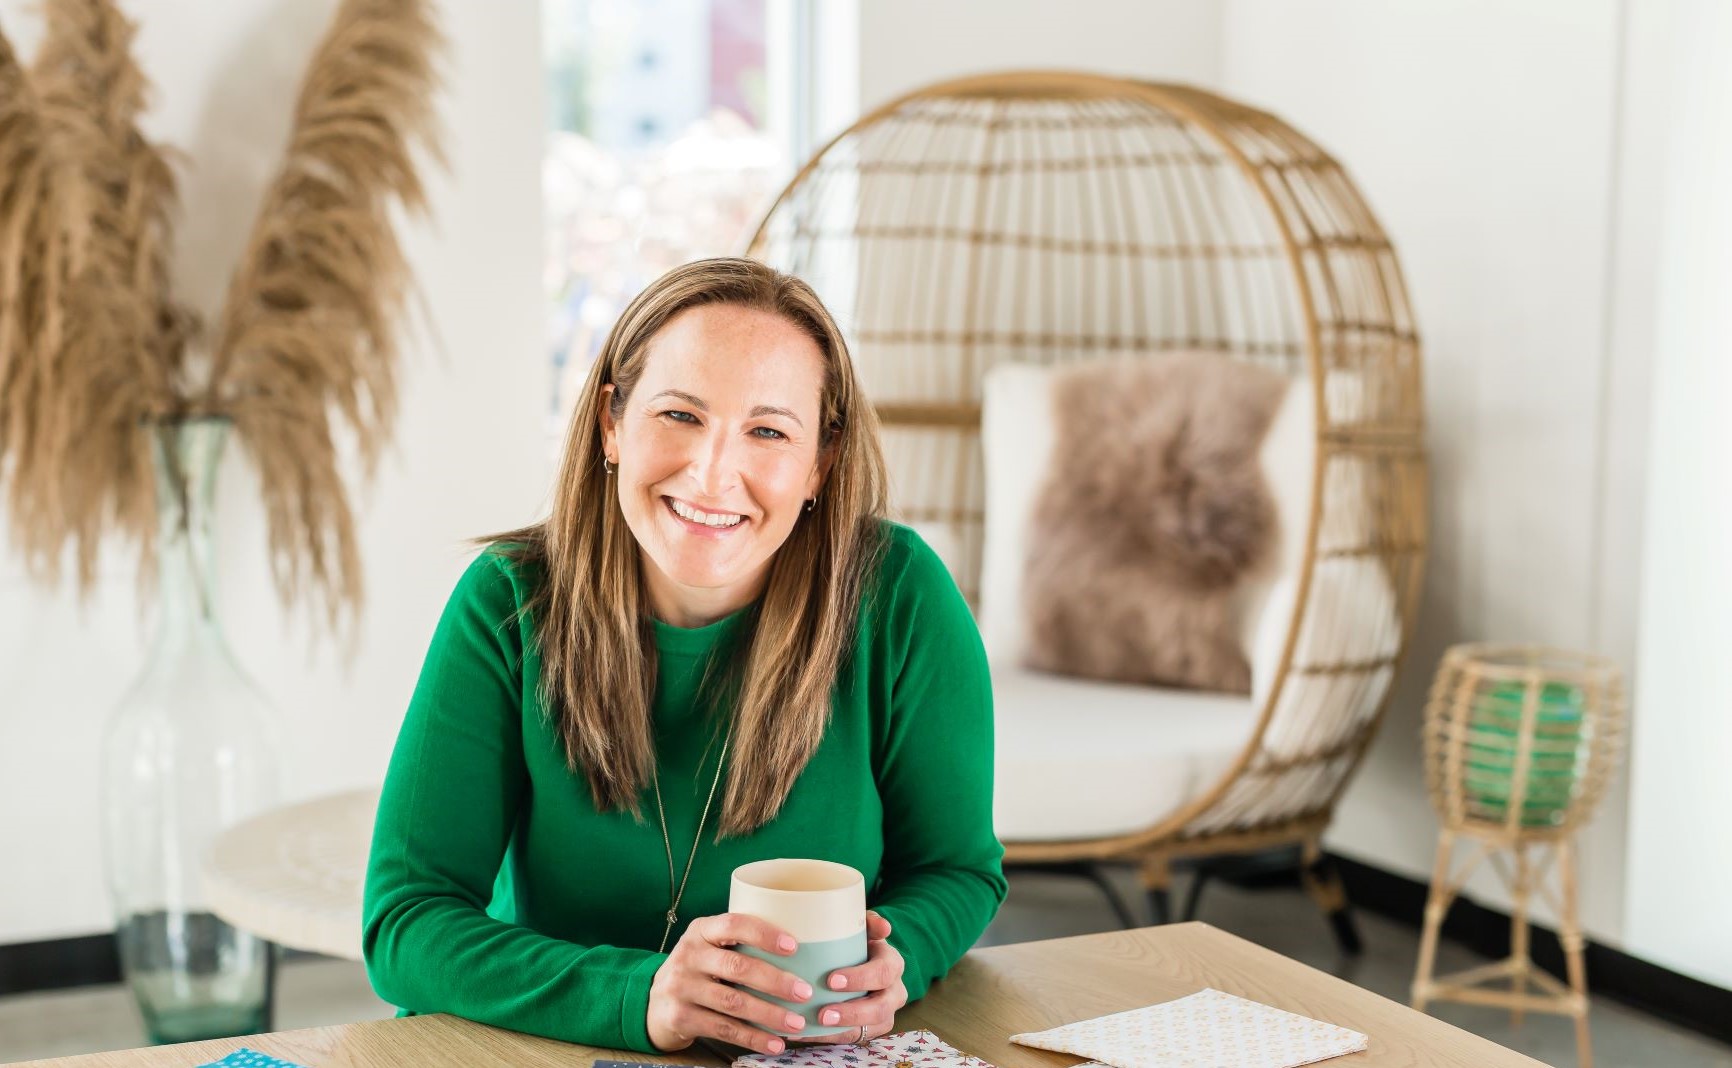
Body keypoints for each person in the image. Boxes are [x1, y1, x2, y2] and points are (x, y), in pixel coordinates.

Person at [362, 257, 1005, 1056]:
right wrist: (640, 994)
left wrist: (898, 955)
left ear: (821, 461)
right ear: (611, 424)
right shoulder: (507, 601)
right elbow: (405, 922)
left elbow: (957, 869)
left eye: (768, 431)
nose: (712, 473)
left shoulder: (900, 594)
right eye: (679, 415)